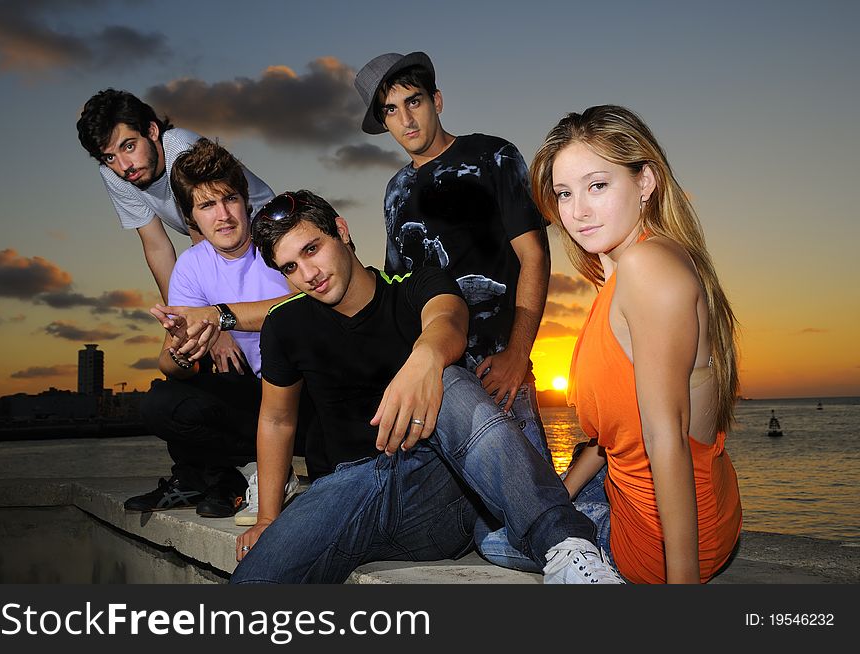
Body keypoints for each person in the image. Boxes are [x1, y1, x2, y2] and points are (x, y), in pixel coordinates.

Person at [229, 190, 623, 584]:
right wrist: (267, 517)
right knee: (253, 584)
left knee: (449, 380)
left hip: (438, 492)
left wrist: (425, 359)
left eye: (312, 249)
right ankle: (590, 518)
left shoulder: (415, 285)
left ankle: (565, 543)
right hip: (348, 492)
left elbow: (448, 321)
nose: (308, 274)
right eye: (291, 267)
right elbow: (277, 420)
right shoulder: (285, 323)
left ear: (342, 231)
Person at [528, 105, 742, 583]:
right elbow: (613, 439)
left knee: (493, 531)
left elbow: (665, 436)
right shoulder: (630, 267)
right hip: (657, 501)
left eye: (597, 185)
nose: (577, 211)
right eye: (564, 193)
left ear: (645, 181)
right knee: (526, 505)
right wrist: (562, 497)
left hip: (656, 541)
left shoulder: (647, 270)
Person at [353, 52, 551, 463]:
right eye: (391, 110)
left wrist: (517, 354)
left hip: (498, 373)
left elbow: (534, 256)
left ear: (436, 101)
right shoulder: (395, 192)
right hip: (434, 380)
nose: (406, 120)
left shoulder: (493, 156)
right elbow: (401, 289)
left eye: (414, 101)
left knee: (530, 500)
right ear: (384, 123)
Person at [125, 138, 297, 519]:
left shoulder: (277, 241)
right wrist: (181, 348)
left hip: (305, 395)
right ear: (192, 219)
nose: (223, 215)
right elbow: (168, 366)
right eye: (207, 205)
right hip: (253, 399)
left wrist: (220, 316)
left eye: (230, 199)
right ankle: (231, 477)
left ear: (245, 200)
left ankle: (276, 471)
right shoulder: (191, 266)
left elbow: (303, 306)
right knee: (162, 402)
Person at [76, 89, 275, 304]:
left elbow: (202, 232)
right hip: (215, 238)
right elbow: (156, 246)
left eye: (129, 146)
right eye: (109, 157)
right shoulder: (115, 174)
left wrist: (198, 312)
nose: (124, 166)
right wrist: (177, 313)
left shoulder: (182, 148)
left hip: (263, 227)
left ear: (152, 131)